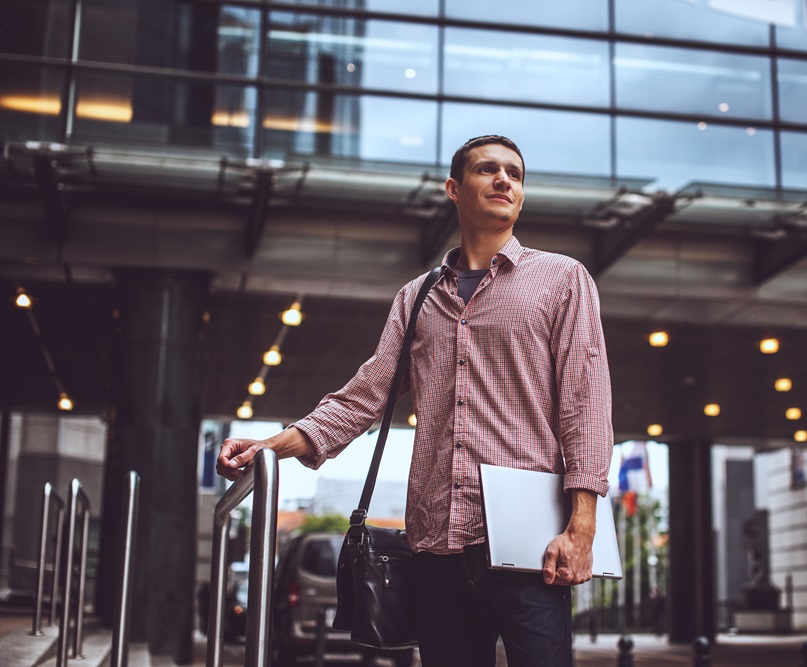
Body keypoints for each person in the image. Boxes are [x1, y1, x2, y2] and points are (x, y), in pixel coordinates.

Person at [216, 135, 613, 666]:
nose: (503, 181)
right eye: (487, 170)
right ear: (454, 188)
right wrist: (271, 444)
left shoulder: (562, 280)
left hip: (531, 548)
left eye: (514, 175)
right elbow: (363, 397)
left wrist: (582, 525)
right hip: (437, 549)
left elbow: (586, 405)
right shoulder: (417, 297)